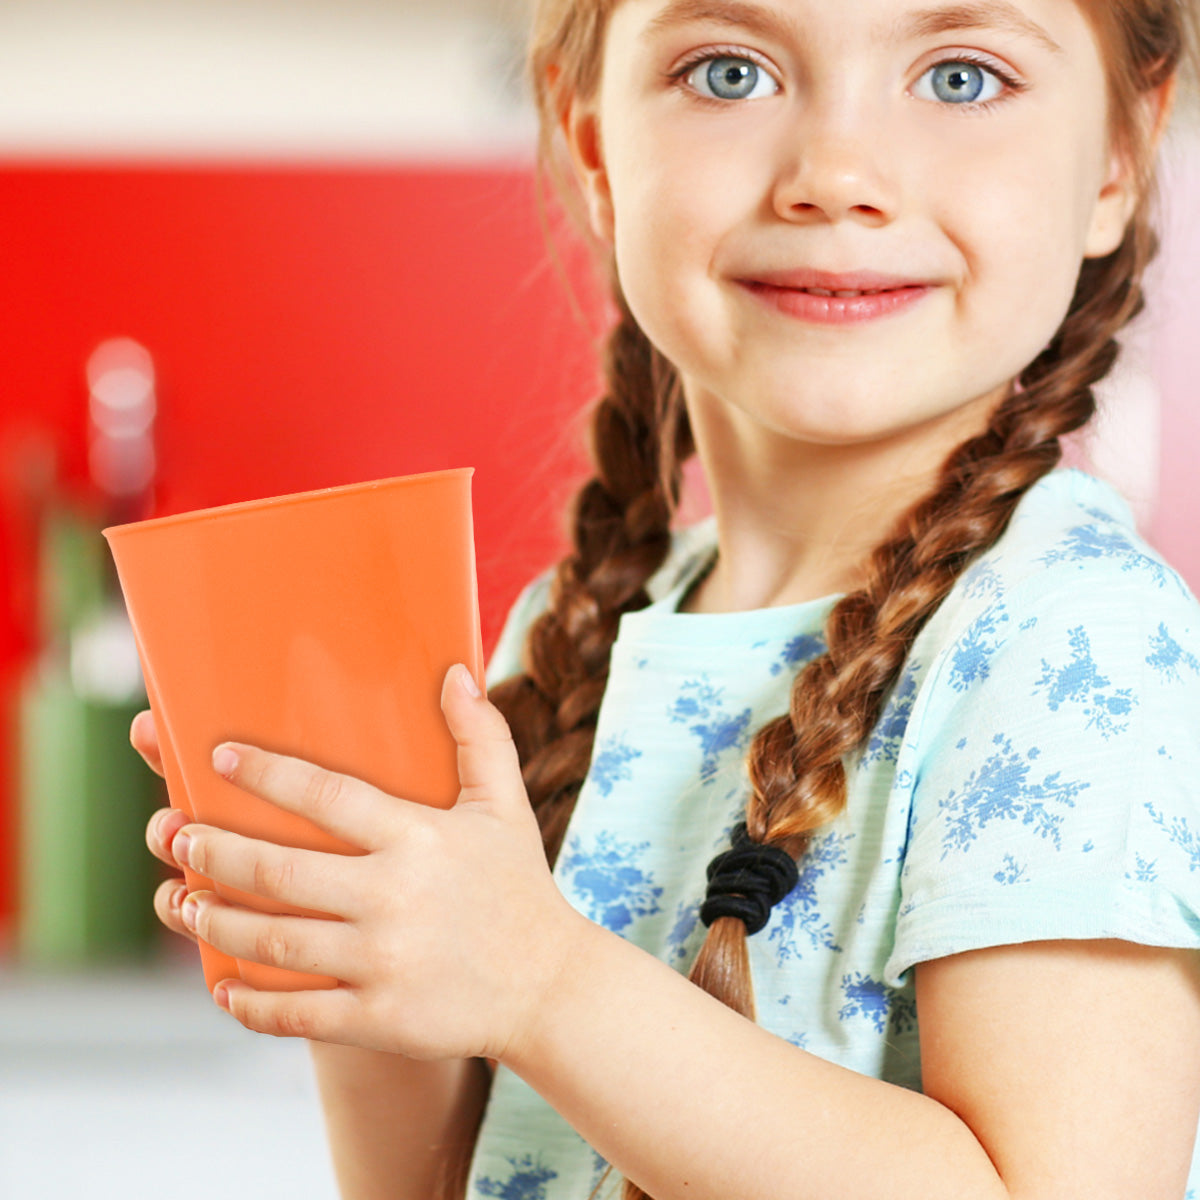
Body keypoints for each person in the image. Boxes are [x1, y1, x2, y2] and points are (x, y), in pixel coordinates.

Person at [136, 0, 1200, 1197]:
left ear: (1121, 150)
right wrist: (358, 944)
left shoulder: (1073, 639)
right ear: (591, 146)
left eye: (960, 77)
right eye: (730, 71)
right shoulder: (573, 631)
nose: (836, 175)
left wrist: (541, 985)